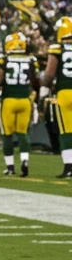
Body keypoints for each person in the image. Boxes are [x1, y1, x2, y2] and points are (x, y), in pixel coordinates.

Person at [0, 32, 36, 176]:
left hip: (9, 100)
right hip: (25, 100)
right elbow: (34, 81)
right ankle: (25, 160)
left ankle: (10, 167)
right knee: (23, 134)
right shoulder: (30, 60)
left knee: (7, 135)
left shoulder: (3, 60)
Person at [39, 17, 72, 177]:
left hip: (64, 92)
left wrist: (42, 95)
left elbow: (49, 75)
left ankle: (69, 166)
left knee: (66, 131)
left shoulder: (57, 49)